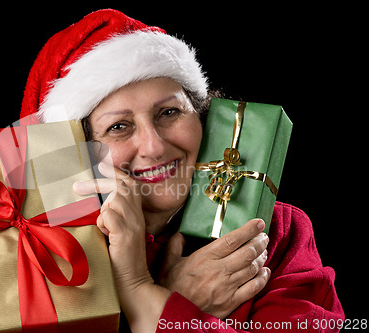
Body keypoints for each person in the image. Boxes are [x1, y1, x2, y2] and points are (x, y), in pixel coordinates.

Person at [20, 9, 344, 332]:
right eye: (119, 126)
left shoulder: (276, 232)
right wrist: (163, 297)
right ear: (76, 151)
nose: (154, 146)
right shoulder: (38, 260)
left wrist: (141, 293)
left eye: (169, 112)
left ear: (203, 116)